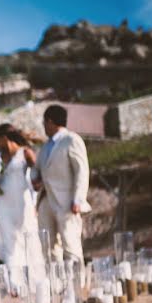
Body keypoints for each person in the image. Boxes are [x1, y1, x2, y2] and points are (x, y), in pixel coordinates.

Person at [0, 123, 46, 278]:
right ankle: (15, 282)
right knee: (10, 243)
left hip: (22, 203)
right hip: (3, 205)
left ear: (4, 138)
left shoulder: (25, 153)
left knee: (30, 238)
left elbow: (37, 176)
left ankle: (37, 280)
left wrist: (37, 199)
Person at [32, 105, 90, 265]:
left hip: (67, 202)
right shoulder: (45, 147)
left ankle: (78, 285)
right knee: (48, 247)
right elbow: (37, 168)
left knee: (71, 245)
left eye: (44, 122)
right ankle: (56, 285)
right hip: (46, 201)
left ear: (50, 121)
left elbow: (81, 171)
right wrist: (35, 178)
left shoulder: (71, 140)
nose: (43, 126)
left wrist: (78, 199)